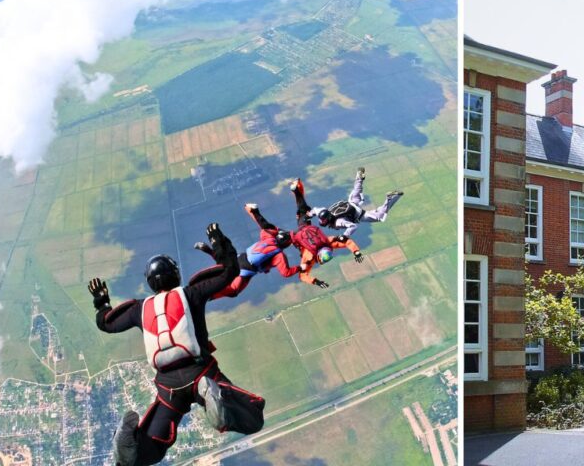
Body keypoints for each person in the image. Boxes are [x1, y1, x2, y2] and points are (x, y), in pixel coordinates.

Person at [89, 223, 265, 466]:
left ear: (150, 282)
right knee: (253, 417)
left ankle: (130, 449)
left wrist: (102, 303)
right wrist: (219, 243)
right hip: (202, 373)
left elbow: (107, 323)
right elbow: (230, 272)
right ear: (175, 274)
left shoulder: (139, 309)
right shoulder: (191, 293)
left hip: (168, 388)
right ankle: (218, 401)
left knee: (149, 450)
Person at [193, 203, 299, 299]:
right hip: (246, 269)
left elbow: (264, 226)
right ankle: (210, 295)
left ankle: (209, 250)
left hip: (241, 257)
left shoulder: (268, 237)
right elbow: (286, 273)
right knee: (233, 290)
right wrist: (300, 267)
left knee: (224, 263)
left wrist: (254, 212)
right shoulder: (280, 255)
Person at [291, 167, 403, 238]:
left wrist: (345, 236)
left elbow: (353, 226)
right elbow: (316, 210)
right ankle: (359, 177)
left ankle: (391, 198)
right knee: (356, 191)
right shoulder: (324, 211)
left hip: (358, 214)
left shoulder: (339, 222)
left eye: (323, 221)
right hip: (351, 203)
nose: (322, 222)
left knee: (379, 216)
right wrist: (310, 214)